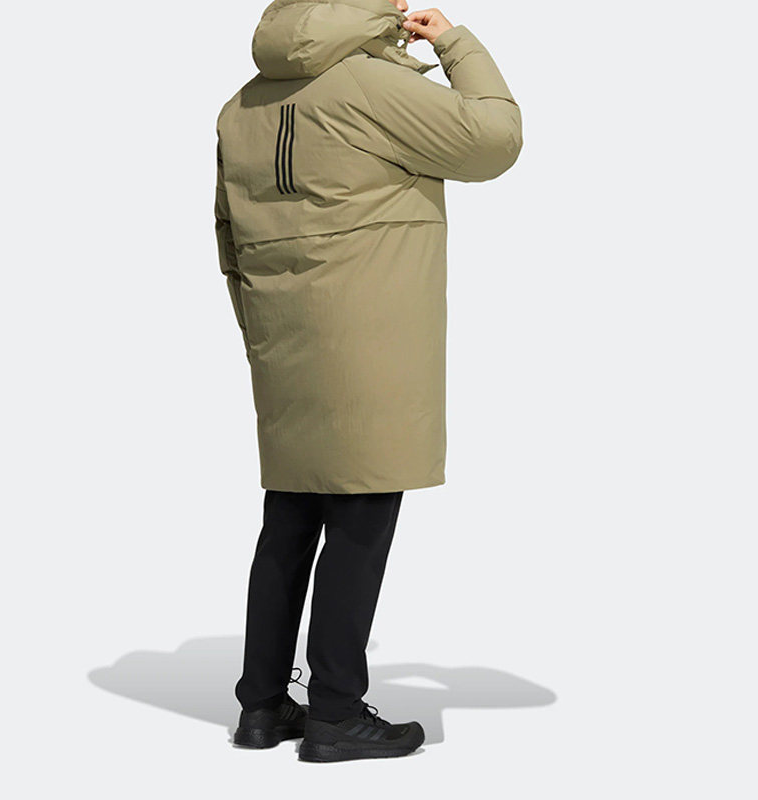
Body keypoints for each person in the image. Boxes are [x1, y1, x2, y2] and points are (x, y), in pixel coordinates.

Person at [215, 0, 522, 763]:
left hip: (283, 334)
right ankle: (335, 714)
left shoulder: (241, 106)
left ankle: (261, 707)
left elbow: (226, 233)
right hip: (371, 338)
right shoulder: (371, 87)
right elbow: (496, 140)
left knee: (290, 513)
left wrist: (261, 330)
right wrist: (455, 44)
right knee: (361, 511)